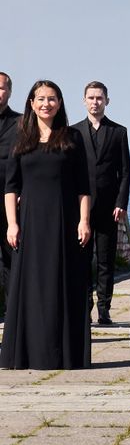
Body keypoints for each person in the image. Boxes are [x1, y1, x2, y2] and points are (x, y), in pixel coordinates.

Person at [1, 81, 91, 369]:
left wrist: (84, 221)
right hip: (29, 222)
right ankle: (28, 352)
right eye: (41, 99)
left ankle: (61, 353)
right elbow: (11, 187)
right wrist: (12, 224)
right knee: (30, 286)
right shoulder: (21, 137)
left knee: (61, 284)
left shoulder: (72, 137)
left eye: (52, 99)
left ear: (60, 103)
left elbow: (83, 187)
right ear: (31, 103)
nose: (46, 104)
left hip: (64, 222)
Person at [73, 82, 130, 326]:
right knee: (81, 259)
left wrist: (121, 202)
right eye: (91, 98)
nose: (95, 102)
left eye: (99, 98)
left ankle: (104, 309)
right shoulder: (73, 132)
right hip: (80, 209)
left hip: (109, 206)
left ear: (107, 101)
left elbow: (125, 172)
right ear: (84, 101)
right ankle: (83, 306)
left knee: (106, 261)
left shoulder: (118, 132)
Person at [0, 72, 22, 313]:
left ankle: (12, 314)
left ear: (9, 92)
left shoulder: (21, 123)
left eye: (2, 88)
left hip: (11, 204)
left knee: (12, 261)